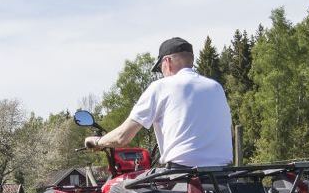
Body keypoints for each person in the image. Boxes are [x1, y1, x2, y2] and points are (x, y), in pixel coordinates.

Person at [85, 37, 233, 168]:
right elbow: (229, 131)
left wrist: (98, 142)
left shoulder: (161, 86)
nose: (161, 73)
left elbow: (122, 137)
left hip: (183, 177)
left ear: (167, 62)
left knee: (116, 191)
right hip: (222, 176)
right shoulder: (215, 87)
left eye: (160, 68)